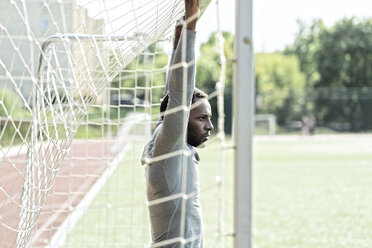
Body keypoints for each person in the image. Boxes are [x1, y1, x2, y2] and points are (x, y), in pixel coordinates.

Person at [141, 0, 214, 247]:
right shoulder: (168, 149)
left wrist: (179, 34)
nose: (209, 126)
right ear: (181, 118)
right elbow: (180, 88)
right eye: (202, 118)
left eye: (209, 118)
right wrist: (192, 19)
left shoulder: (169, 142)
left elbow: (171, 90)